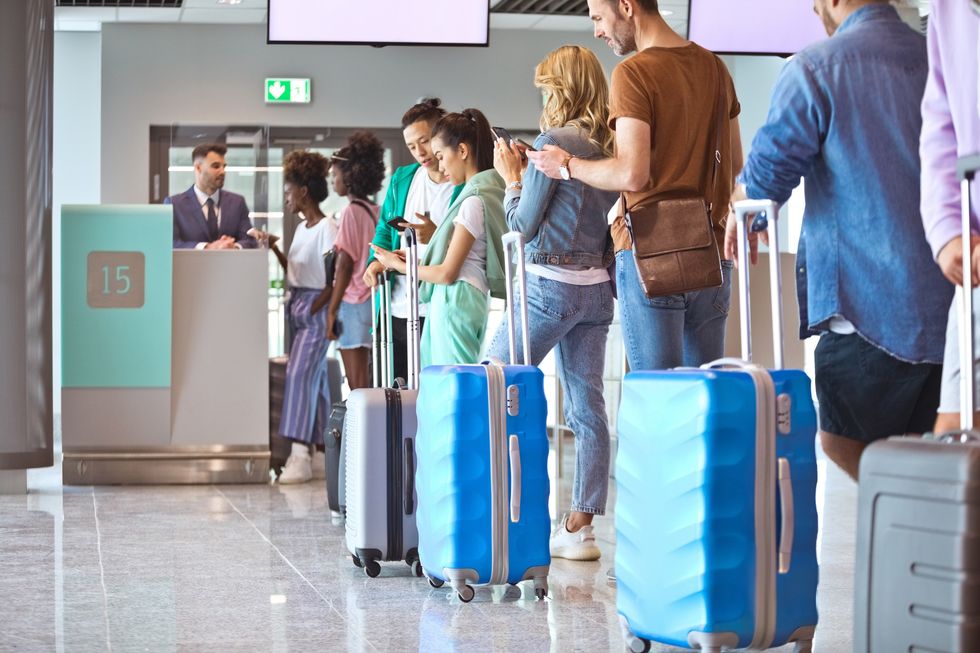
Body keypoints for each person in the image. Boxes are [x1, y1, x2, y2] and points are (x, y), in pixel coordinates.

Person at [727, 0, 952, 480]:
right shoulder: (940, 58)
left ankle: (898, 514)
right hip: (948, 305)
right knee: (929, 453)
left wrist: (739, 207)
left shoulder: (816, 68)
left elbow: (766, 177)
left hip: (866, 305)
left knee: (841, 439)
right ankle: (912, 519)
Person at [527, 0, 742, 372]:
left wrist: (567, 165)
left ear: (626, 6)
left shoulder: (634, 72)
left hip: (653, 252)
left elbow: (632, 174)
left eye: (598, 18)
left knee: (656, 396)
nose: (597, 31)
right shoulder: (715, 67)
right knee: (704, 395)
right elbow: (736, 163)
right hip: (713, 251)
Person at [486, 46, 618, 561]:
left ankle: (496, 513)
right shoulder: (608, 146)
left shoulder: (552, 143)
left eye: (545, 89)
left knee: (489, 385)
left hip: (547, 287)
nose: (542, 99)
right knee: (588, 408)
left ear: (560, 89)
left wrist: (512, 178)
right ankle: (580, 527)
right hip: (595, 292)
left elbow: (522, 225)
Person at [371, 109, 507, 367]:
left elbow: (447, 273)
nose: (440, 165)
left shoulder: (472, 200)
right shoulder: (482, 192)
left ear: (462, 151)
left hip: (454, 299)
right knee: (447, 379)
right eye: (412, 146)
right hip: (454, 299)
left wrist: (399, 265)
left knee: (454, 381)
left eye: (441, 156)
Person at [362, 98, 460, 382]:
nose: (420, 152)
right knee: (388, 392)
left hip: (438, 309)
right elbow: (384, 229)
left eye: (424, 141)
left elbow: (475, 241)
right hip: (395, 306)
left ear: (440, 136)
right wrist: (375, 262)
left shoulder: (464, 184)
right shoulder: (403, 179)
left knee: (432, 392)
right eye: (411, 146)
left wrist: (436, 234)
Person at [920, 0, 980, 432]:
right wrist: (946, 230)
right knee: (956, 433)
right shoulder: (949, 7)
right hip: (973, 256)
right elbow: (941, 126)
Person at [270, 150, 338, 484]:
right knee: (317, 382)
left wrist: (317, 308)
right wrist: (273, 248)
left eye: (288, 191)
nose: (286, 197)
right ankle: (323, 454)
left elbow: (334, 278)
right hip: (298, 305)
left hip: (314, 309)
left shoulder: (328, 227)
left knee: (298, 376)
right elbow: (295, 272)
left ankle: (299, 455)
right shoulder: (300, 229)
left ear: (304, 191)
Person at [326, 132, 385, 391]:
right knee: (372, 379)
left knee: (357, 384)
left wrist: (331, 310)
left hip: (352, 303)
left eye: (335, 176)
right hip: (373, 301)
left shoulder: (350, 212)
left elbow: (345, 265)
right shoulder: (377, 211)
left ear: (349, 177)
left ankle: (361, 420)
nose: (333, 181)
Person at [166, 143, 257, 250]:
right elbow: (171, 243)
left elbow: (249, 240)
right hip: (192, 261)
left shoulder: (237, 202)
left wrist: (233, 247)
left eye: (224, 166)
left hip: (230, 261)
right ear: (198, 168)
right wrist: (207, 247)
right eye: (216, 166)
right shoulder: (174, 204)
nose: (223, 172)